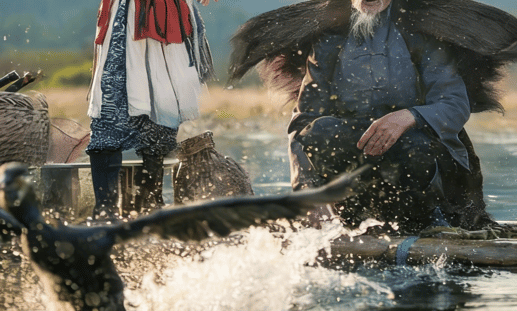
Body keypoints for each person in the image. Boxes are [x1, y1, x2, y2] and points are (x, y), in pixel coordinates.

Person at [229, 0, 517, 232]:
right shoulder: (328, 42)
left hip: (422, 161)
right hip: (357, 164)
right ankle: (352, 221)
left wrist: (409, 116)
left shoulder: (420, 35)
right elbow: (302, 124)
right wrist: (306, 197)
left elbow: (454, 104)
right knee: (321, 132)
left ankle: (423, 224)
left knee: (414, 148)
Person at [87, 0, 217, 218]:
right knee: (110, 110)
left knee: (160, 111)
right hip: (127, 20)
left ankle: (149, 203)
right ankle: (106, 211)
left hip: (161, 18)